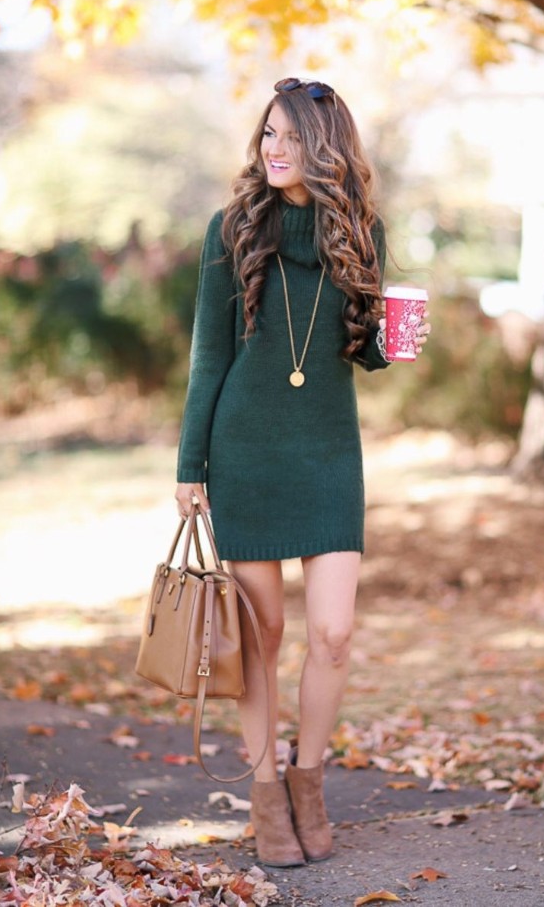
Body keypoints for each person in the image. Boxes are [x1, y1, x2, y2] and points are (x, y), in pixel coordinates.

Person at [175, 77, 429, 868]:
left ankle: (307, 778)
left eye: (289, 136)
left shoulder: (362, 230)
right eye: (267, 135)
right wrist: (192, 466)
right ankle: (263, 794)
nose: (274, 149)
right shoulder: (233, 229)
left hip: (327, 453)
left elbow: (370, 358)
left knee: (334, 631)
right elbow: (209, 355)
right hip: (245, 448)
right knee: (265, 634)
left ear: (325, 146)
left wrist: (404, 330)